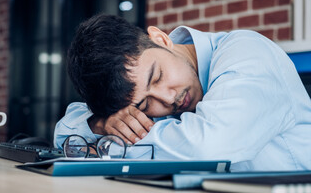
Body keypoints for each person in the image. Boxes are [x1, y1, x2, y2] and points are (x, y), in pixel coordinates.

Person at [54, 14, 311, 171]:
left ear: (161, 39)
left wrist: (114, 145)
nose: (167, 98)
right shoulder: (150, 98)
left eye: (158, 76)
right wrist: (101, 124)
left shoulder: (248, 52)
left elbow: (207, 147)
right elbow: (63, 133)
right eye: (143, 106)